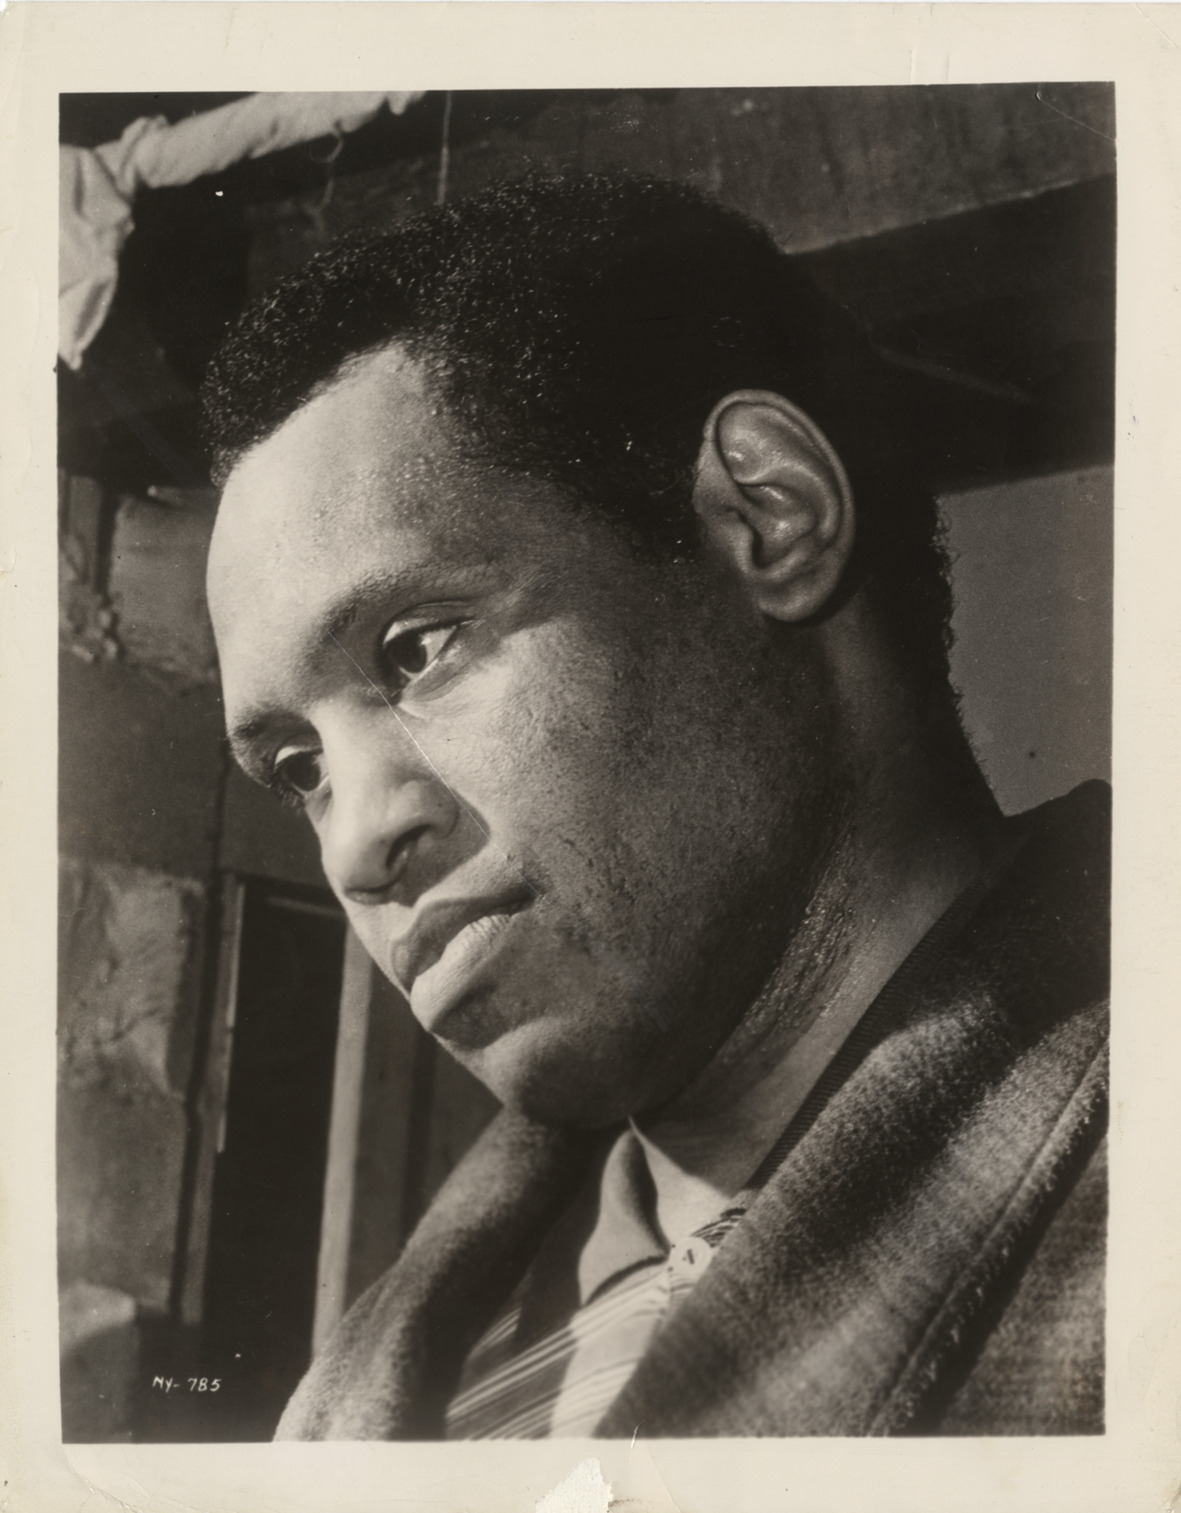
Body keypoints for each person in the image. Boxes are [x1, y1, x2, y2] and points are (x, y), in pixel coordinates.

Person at [202, 173, 1109, 1440]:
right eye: (298, 766)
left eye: (417, 649)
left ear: (766, 517)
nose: (355, 843)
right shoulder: (385, 1385)